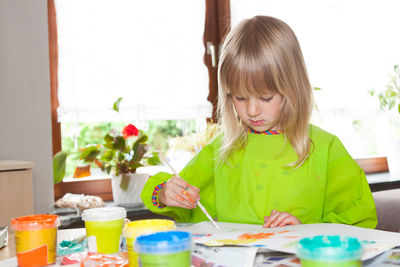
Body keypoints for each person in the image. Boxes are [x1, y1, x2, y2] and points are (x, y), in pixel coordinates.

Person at [141, 15, 377, 228]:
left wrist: (306, 230)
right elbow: (176, 191)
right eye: (240, 97)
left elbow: (358, 220)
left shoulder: (326, 149)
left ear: (292, 88)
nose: (252, 110)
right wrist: (165, 193)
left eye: (265, 97)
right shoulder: (223, 149)